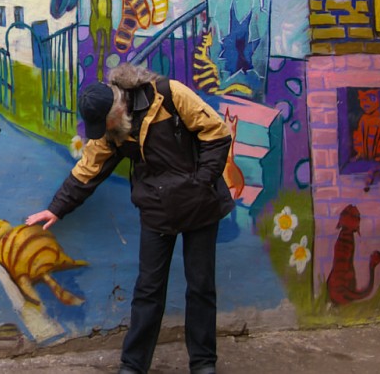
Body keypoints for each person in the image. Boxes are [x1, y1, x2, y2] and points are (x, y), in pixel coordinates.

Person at [26, 63, 233, 374]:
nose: (104, 132)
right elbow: (89, 169)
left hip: (200, 205)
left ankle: (204, 363)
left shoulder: (169, 94)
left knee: (201, 286)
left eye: (105, 123)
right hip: (156, 209)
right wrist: (56, 208)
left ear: (119, 105)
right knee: (148, 290)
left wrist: (201, 183)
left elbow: (216, 132)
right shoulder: (112, 129)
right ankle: (133, 365)